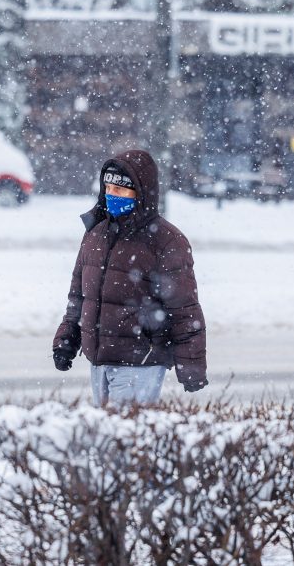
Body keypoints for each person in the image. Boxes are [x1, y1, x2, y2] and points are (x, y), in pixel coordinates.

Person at [52, 149, 207, 406]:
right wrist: (67, 339)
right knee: (105, 436)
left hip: (140, 361)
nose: (113, 195)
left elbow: (185, 311)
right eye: (109, 188)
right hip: (99, 359)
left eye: (122, 190)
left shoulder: (166, 241)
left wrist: (191, 367)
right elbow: (79, 296)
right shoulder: (96, 234)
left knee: (124, 437)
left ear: (142, 193)